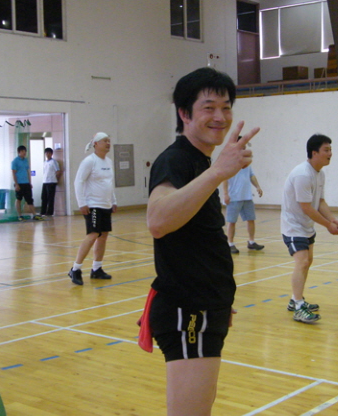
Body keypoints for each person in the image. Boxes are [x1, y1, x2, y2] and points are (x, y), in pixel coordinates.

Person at [141, 67, 259, 416]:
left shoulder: (200, 161)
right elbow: (157, 221)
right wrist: (219, 171)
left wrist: (218, 298)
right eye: (208, 107)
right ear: (184, 113)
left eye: (226, 107)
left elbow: (200, 238)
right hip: (187, 311)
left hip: (205, 306)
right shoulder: (176, 160)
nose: (220, 117)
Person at [281, 134, 338, 324]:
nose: (330, 153)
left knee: (308, 262)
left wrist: (332, 218)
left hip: (306, 226)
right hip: (293, 227)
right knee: (302, 262)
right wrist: (328, 225)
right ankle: (299, 307)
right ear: (314, 153)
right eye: (326, 150)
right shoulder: (302, 174)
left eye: (330, 149)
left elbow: (320, 202)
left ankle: (295, 299)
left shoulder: (319, 173)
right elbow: (306, 207)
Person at [68, 133, 117, 284]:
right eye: (105, 141)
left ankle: (97, 269)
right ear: (95, 144)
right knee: (93, 234)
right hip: (93, 205)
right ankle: (75, 269)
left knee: (103, 236)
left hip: (105, 205)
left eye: (109, 141)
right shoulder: (89, 161)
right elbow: (78, 182)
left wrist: (113, 200)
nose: (108, 143)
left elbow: (109, 183)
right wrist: (81, 203)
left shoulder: (108, 161)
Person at [221, 146, 264, 254]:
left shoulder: (247, 164)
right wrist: (226, 194)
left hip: (247, 197)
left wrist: (258, 186)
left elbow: (251, 176)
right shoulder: (229, 163)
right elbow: (225, 179)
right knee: (232, 221)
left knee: (251, 219)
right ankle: (230, 244)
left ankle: (251, 242)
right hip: (234, 197)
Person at [11, 145, 43, 221]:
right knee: (19, 199)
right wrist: (16, 184)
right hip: (19, 183)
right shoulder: (15, 161)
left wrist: (30, 182)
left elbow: (28, 172)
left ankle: (34, 215)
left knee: (30, 199)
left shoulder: (26, 161)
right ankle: (20, 216)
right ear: (19, 152)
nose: (24, 153)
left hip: (26, 183)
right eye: (22, 151)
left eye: (25, 151)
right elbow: (13, 173)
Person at [41, 147, 61, 216]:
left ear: (52, 154)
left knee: (50, 198)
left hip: (52, 182)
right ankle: (43, 212)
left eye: (49, 153)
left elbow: (58, 171)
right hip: (45, 181)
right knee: (43, 197)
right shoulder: (44, 162)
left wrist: (57, 180)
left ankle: (49, 212)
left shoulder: (54, 162)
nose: (47, 154)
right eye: (46, 153)